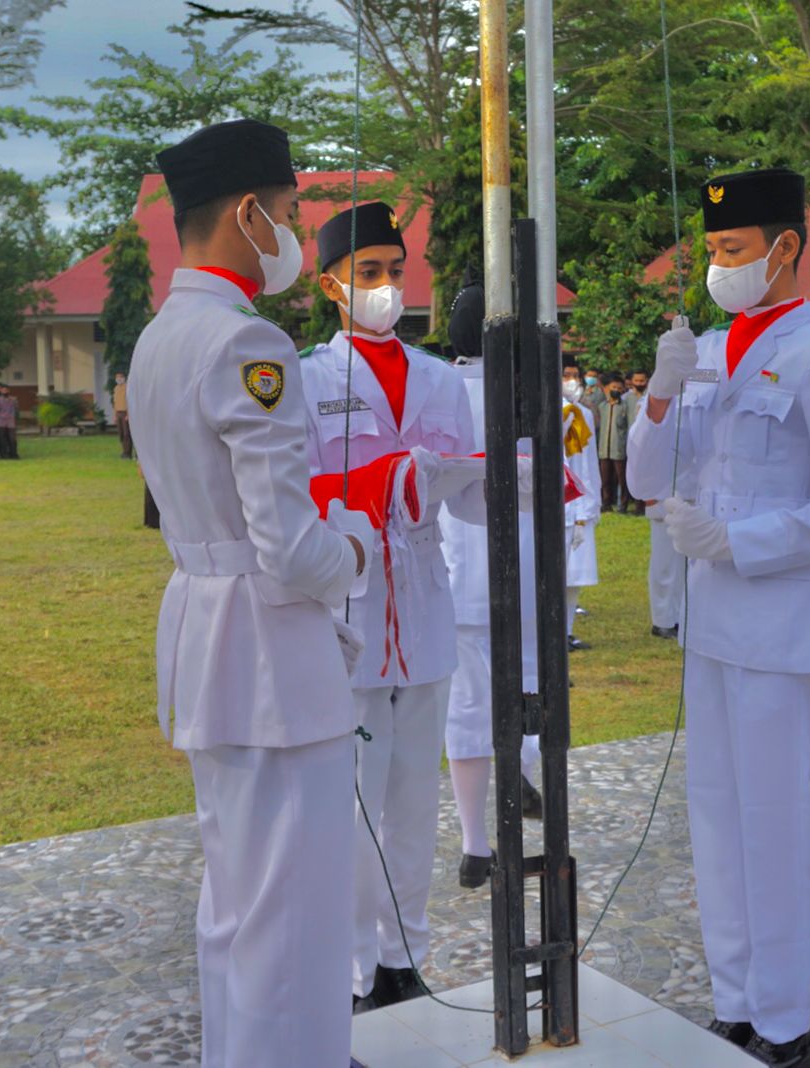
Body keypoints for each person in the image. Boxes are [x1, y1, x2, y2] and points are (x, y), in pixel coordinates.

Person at [628, 167, 810, 1068]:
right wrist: (660, 397)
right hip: (709, 627)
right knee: (714, 817)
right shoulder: (705, 350)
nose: (718, 266)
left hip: (776, 628)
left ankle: (784, 1024)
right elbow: (643, 482)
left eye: (733, 250)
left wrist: (742, 541)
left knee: (774, 824)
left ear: (785, 248)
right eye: (712, 251)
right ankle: (734, 1003)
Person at [130, 119, 372, 1068]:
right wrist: (352, 545)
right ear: (245, 213)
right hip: (269, 651)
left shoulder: (163, 336)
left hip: (205, 632)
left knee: (235, 902)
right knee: (293, 913)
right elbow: (288, 544)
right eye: (288, 210)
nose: (296, 229)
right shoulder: (245, 342)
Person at [295, 200, 485, 1018]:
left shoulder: (441, 377)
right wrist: (381, 487)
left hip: (426, 605)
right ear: (331, 283)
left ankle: (407, 955)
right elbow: (294, 495)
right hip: (354, 608)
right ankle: (354, 969)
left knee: (414, 798)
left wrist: (485, 475)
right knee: (357, 800)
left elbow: (471, 502)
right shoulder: (306, 380)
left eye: (394, 270)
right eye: (366, 273)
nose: (384, 287)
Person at [437, 281, 544, 892]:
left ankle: (476, 842)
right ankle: (521, 777)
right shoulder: (529, 392)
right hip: (524, 564)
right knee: (530, 685)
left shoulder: (438, 390)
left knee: (467, 707)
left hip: (456, 568)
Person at [565, 384, 601, 650]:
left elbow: (584, 465)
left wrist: (585, 509)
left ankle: (564, 631)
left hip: (575, 502)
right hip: (564, 503)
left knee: (572, 578)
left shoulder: (577, 414)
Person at [596, 371, 633, 513]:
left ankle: (623, 505)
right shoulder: (602, 406)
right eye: (613, 387)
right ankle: (606, 504)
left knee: (622, 479)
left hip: (619, 449)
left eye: (619, 388)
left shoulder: (624, 407)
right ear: (606, 388)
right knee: (604, 479)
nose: (616, 390)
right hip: (604, 449)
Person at [113, 371, 133, 459]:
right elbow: (115, 402)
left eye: (120, 377)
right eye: (117, 378)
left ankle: (128, 452)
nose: (119, 379)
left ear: (124, 378)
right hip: (118, 412)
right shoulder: (116, 388)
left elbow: (129, 402)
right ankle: (124, 451)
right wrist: (115, 415)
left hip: (125, 412)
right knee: (120, 433)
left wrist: (128, 414)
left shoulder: (127, 387)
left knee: (126, 433)